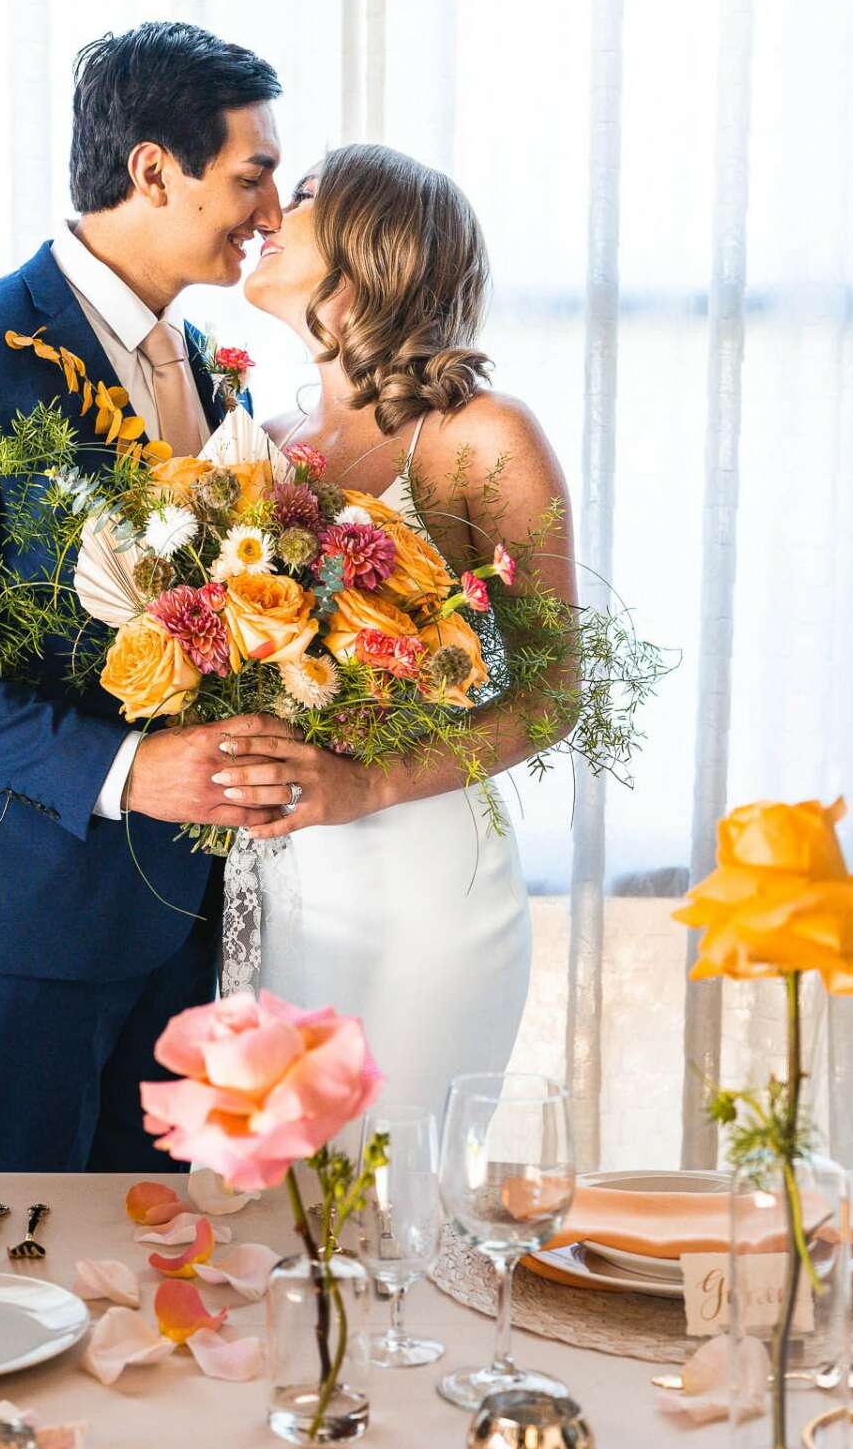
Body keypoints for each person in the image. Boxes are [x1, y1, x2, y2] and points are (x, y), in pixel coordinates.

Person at [0, 21, 289, 1171]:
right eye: (252, 175)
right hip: (22, 926)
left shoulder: (208, 366)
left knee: (156, 1262)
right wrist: (128, 772)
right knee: (3, 1256)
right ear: (154, 169)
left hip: (189, 922)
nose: (271, 213)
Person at [215, 143, 580, 1116]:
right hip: (273, 876)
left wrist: (368, 783)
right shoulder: (261, 447)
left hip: (422, 880)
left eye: (300, 197)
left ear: (371, 244)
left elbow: (554, 695)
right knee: (272, 1170)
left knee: (398, 1172)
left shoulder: (481, 435)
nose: (266, 215)